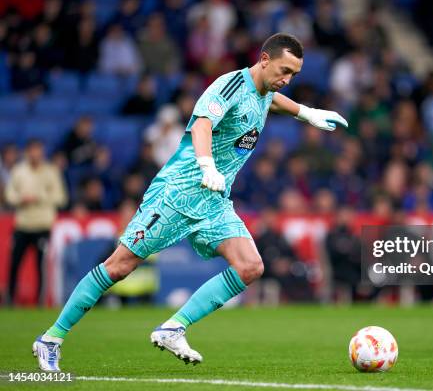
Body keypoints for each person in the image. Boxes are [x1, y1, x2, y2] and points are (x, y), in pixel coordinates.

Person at [33, 33, 347, 372]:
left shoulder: (264, 91)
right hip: (178, 194)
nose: (287, 80)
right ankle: (51, 338)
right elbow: (202, 126)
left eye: (294, 75)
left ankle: (173, 328)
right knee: (120, 265)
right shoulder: (228, 86)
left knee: (250, 266)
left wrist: (307, 112)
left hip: (213, 201)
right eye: (285, 70)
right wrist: (207, 165)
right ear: (265, 60)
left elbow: (268, 101)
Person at [5, 139, 67, 306]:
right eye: (32, 150)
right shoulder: (19, 171)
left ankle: (40, 301)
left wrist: (39, 197)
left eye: (38, 150)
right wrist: (21, 199)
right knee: (14, 263)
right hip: (23, 224)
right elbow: (9, 195)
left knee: (41, 265)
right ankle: (10, 299)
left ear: (42, 152)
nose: (35, 154)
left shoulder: (51, 171)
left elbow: (61, 198)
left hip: (42, 225)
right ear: (27, 152)